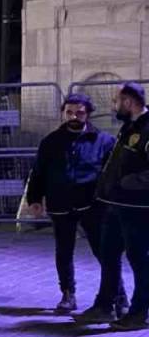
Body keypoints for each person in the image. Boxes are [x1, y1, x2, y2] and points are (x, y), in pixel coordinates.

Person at [27, 93, 118, 314]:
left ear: (88, 113)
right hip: (60, 204)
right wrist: (35, 199)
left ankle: (118, 296)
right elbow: (38, 172)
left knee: (104, 252)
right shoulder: (50, 142)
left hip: (92, 205)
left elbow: (113, 174)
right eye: (69, 112)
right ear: (63, 113)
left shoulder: (104, 141)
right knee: (64, 251)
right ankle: (68, 294)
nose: (74, 116)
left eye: (79, 112)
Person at [79, 83, 148, 329]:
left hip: (138, 209)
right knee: (108, 255)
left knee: (139, 260)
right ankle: (104, 306)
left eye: (115, 101)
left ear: (128, 102)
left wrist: (130, 182)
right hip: (115, 205)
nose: (113, 106)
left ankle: (140, 313)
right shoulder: (129, 127)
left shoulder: (147, 128)